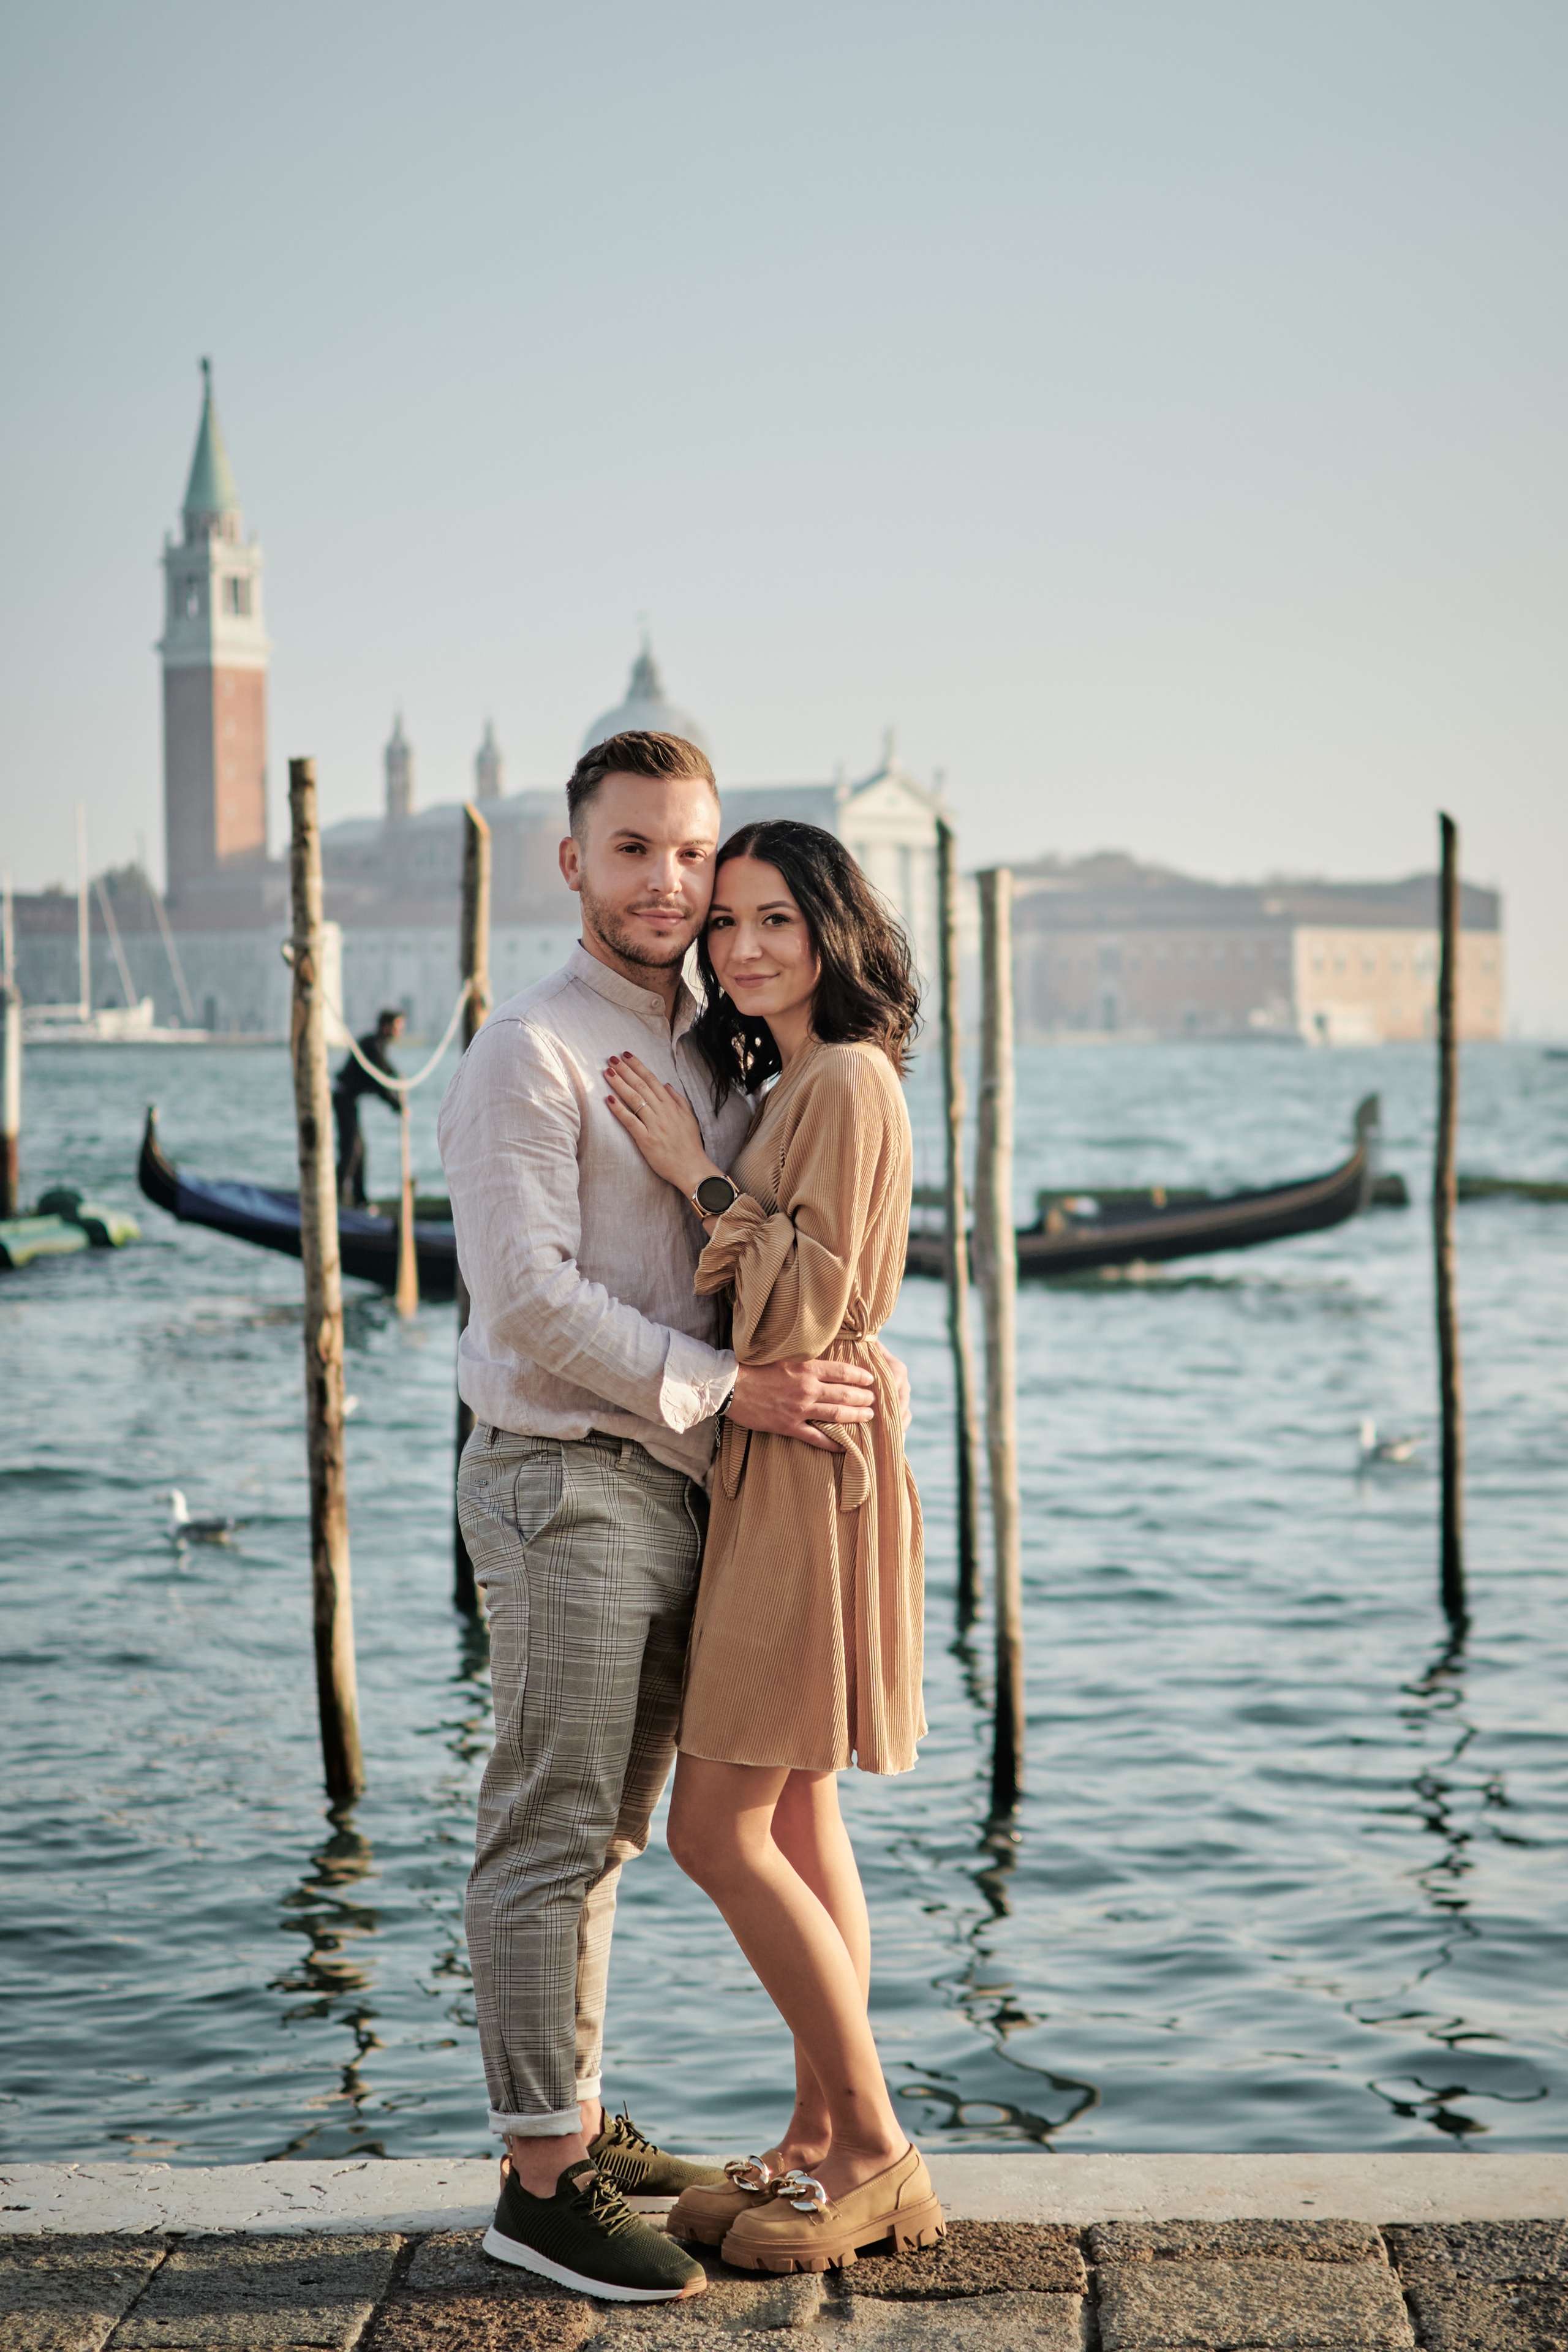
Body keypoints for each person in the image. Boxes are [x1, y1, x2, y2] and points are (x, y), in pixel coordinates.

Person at [437, 734, 906, 2304]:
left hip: (700, 1486)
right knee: (552, 1825)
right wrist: (737, 1385)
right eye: (631, 849)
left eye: (689, 855)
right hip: (569, 1474)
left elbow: (806, 1239)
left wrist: (802, 1366)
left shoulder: (728, 1052)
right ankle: (541, 2181)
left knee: (622, 1832)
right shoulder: (529, 1051)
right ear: (570, 861)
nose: (669, 883)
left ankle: (593, 2119)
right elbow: (531, 1303)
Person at [600, 818, 943, 2276]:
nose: (737, 945)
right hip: (789, 1455)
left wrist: (689, 1170)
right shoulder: (797, 1077)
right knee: (799, 1815)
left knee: (711, 1823)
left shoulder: (848, 1079)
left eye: (772, 921)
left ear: (832, 931)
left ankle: (869, 2145)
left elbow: (799, 1309)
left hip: (804, 1466)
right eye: (722, 921)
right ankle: (817, 2139)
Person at [333, 1008, 405, 1207]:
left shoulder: (377, 1045)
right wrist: (396, 1106)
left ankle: (359, 1200)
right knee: (351, 1150)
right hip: (343, 1097)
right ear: (386, 1026)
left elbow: (386, 1069)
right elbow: (378, 1081)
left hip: (350, 1100)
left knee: (360, 1150)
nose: (400, 1033)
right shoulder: (371, 1045)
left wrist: (398, 1078)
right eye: (398, 1028)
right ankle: (336, 1199)